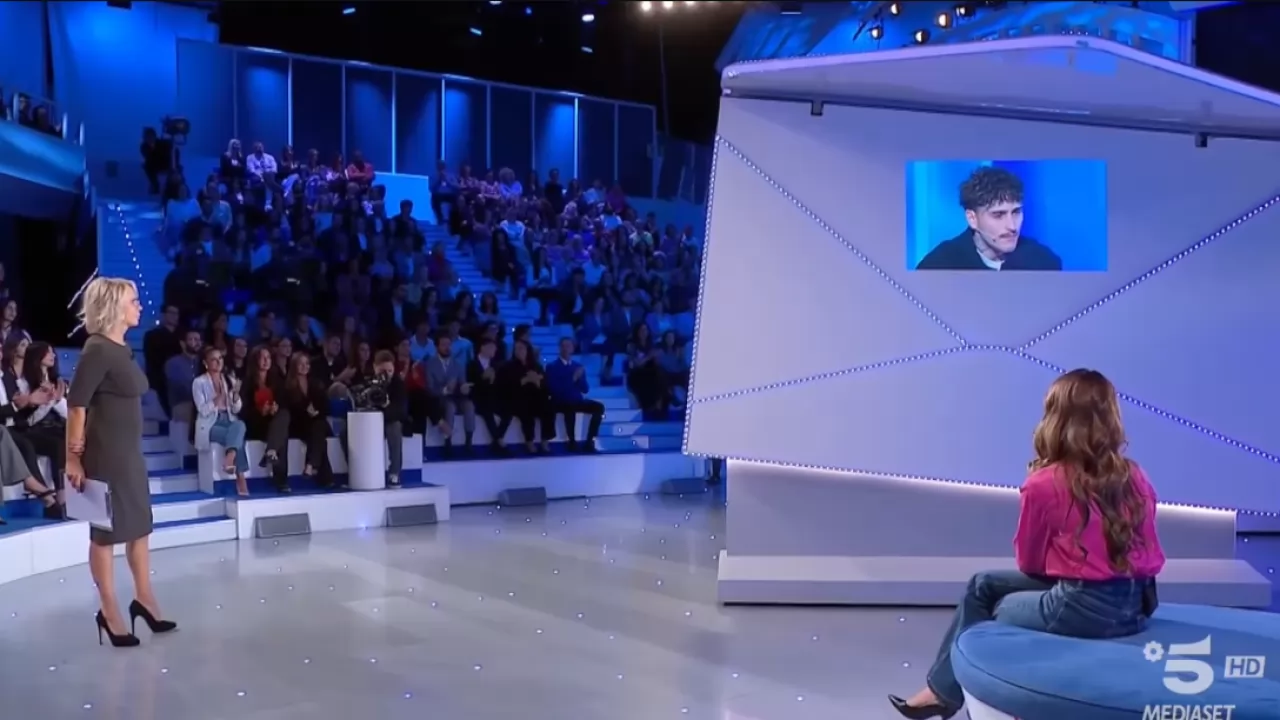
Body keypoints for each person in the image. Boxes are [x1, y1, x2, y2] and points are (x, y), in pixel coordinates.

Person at [889, 369, 1164, 719]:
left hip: (1083, 607)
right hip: (1138, 604)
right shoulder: (1135, 475)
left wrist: (1069, 559)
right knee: (981, 584)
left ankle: (989, 703)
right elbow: (1148, 549)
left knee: (999, 606)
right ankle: (941, 693)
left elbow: (1029, 562)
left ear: (1056, 418)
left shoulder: (1044, 482)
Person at [66, 277, 178, 648]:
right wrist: (73, 459)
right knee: (106, 534)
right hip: (105, 456)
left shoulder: (121, 348)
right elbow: (77, 406)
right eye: (133, 301)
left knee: (140, 526)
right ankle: (109, 610)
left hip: (129, 455)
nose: (140, 306)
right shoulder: (97, 349)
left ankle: (144, 599)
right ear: (114, 307)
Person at [913, 166, 1063, 271]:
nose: (1012, 226)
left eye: (1016, 212)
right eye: (998, 215)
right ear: (972, 218)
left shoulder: (1044, 262)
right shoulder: (939, 266)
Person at [193, 347, 249, 497]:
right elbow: (202, 410)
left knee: (240, 425)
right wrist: (217, 399)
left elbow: (236, 409)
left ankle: (229, 457)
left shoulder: (229, 380)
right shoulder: (199, 382)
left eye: (220, 359)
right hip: (210, 424)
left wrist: (235, 396)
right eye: (214, 359)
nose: (218, 362)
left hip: (228, 419)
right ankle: (241, 478)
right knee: (237, 438)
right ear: (206, 363)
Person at [240, 346, 292, 493]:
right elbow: (243, 411)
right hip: (256, 425)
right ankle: (281, 481)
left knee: (283, 417)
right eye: (262, 358)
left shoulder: (276, 381)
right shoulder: (247, 383)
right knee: (281, 433)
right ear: (255, 361)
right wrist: (260, 411)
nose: (266, 361)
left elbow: (285, 403)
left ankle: (271, 451)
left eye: (268, 357)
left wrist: (275, 408)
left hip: (273, 423)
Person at [281, 352, 336, 487]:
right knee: (319, 438)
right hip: (299, 425)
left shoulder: (316, 383)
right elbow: (288, 410)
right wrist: (306, 412)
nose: (304, 366)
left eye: (307, 364)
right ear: (294, 366)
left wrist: (315, 413)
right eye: (301, 364)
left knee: (318, 427)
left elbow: (325, 407)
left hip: (317, 421)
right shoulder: (287, 387)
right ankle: (321, 473)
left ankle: (311, 465)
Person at [545, 338, 604, 452]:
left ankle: (590, 441)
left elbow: (585, 389)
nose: (566, 349)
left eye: (568, 346)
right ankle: (571, 441)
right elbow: (554, 390)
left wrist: (579, 378)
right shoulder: (552, 367)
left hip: (577, 400)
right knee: (569, 406)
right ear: (559, 348)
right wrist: (573, 378)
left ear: (572, 349)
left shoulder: (578, 366)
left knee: (599, 407)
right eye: (563, 346)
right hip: (560, 401)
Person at [499, 339, 553, 454]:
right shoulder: (508, 366)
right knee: (526, 410)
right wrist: (525, 380)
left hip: (536, 397)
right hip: (517, 398)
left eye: (521, 348)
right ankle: (529, 441)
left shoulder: (536, 366)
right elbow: (506, 387)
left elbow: (545, 386)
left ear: (528, 350)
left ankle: (545, 440)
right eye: (516, 349)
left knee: (548, 408)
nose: (518, 351)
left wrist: (537, 382)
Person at [466, 337, 512, 454]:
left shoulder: (496, 365)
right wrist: (483, 378)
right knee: (487, 412)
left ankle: (497, 440)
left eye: (495, 348)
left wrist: (493, 380)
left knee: (508, 411)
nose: (494, 350)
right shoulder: (472, 364)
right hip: (478, 398)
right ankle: (499, 442)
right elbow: (470, 384)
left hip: (493, 398)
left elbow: (500, 385)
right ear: (482, 348)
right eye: (491, 347)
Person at [371, 351, 408, 488]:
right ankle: (358, 470)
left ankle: (394, 473)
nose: (386, 375)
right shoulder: (368, 381)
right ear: (375, 367)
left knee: (395, 427)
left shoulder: (398, 384)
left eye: (390, 371)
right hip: (368, 420)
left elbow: (401, 412)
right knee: (346, 432)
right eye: (382, 371)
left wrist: (386, 406)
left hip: (388, 420)